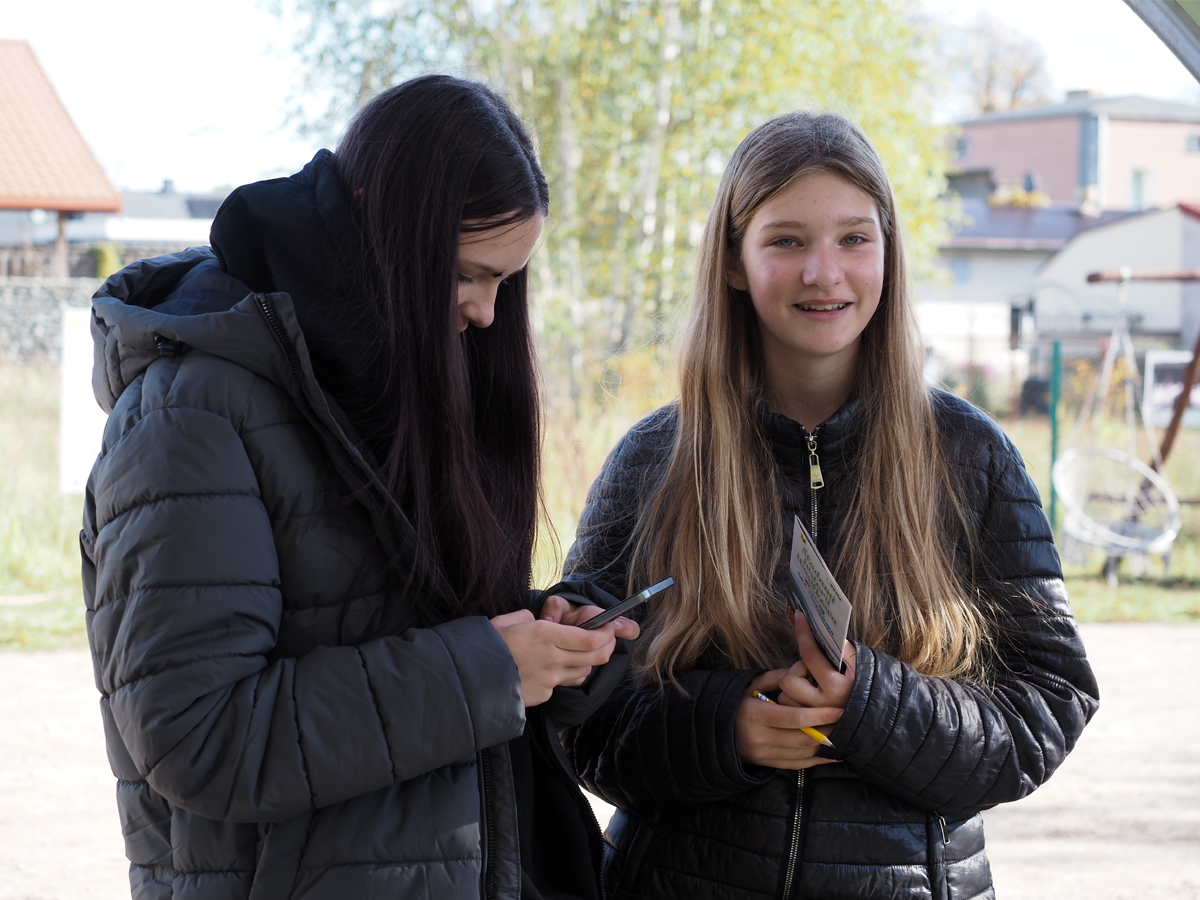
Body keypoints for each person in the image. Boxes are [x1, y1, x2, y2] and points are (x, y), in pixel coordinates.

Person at [82, 74, 637, 900]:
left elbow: (368, 623)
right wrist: (486, 670)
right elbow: (194, 737)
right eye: (467, 274)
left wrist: (536, 643)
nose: (485, 313)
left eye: (505, 283)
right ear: (380, 217)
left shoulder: (390, 381)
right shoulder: (189, 415)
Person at [561, 111, 1099, 900]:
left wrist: (872, 705)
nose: (825, 272)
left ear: (889, 251)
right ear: (736, 262)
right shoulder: (655, 459)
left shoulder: (971, 455)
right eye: (786, 240)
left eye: (854, 238)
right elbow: (581, 717)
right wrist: (724, 728)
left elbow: (1048, 709)